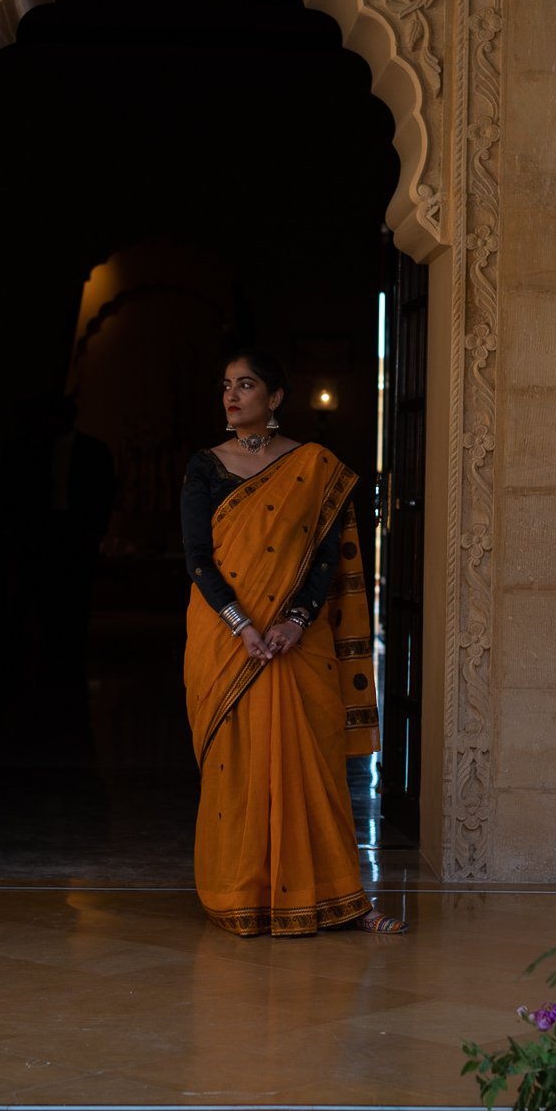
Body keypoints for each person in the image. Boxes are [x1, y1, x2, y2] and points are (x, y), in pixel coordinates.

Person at [179, 350, 407, 936]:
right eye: (226, 385)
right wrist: (243, 625)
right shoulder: (205, 467)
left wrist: (297, 621)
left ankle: (344, 900)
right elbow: (198, 559)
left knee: (315, 767)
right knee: (238, 768)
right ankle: (242, 895)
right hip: (226, 638)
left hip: (297, 640)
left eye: (246, 385)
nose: (232, 396)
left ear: (275, 397)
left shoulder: (314, 466)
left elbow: (327, 556)